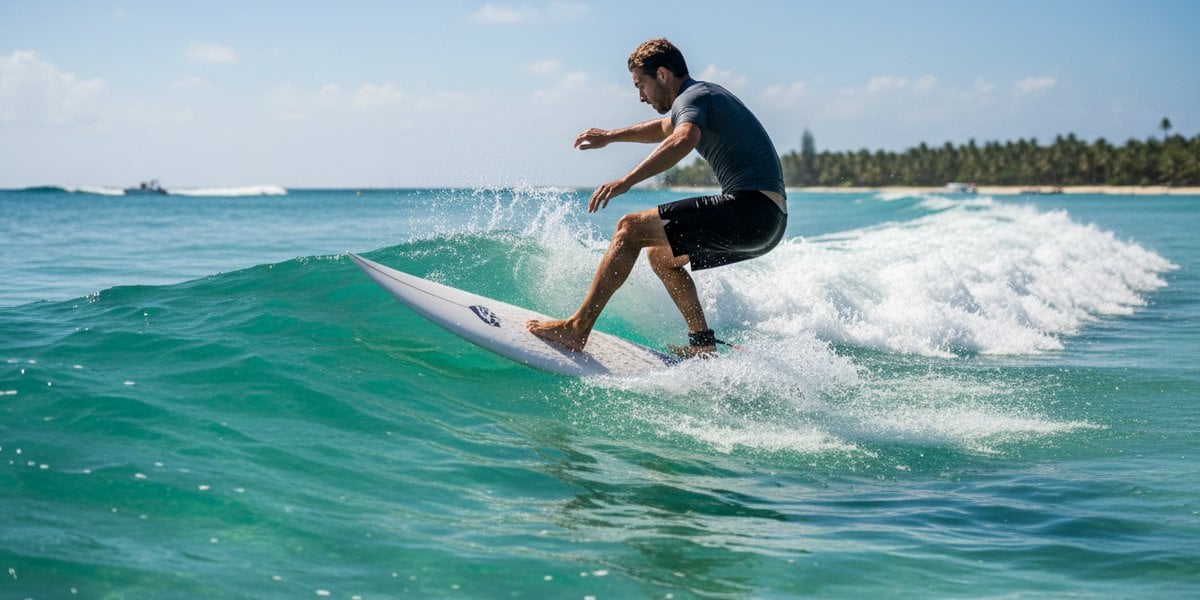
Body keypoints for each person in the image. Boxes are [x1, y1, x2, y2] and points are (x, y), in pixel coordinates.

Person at [526, 38, 787, 355]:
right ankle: (702, 345)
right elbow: (665, 128)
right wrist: (609, 137)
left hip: (752, 211)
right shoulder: (700, 97)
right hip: (768, 225)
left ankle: (577, 328)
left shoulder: (692, 97)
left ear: (662, 75)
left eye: (641, 85)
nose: (640, 97)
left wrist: (626, 181)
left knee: (629, 228)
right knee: (661, 256)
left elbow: (682, 138)